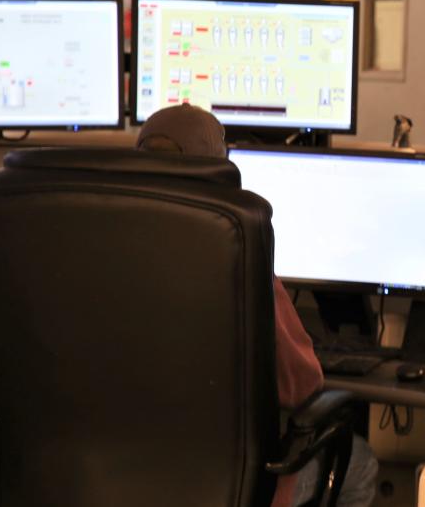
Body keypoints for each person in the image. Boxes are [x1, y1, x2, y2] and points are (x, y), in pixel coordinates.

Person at [136, 104, 377, 506]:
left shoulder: (96, 248)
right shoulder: (236, 247)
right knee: (360, 462)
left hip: (110, 472)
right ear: (221, 169)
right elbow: (302, 386)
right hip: (220, 483)